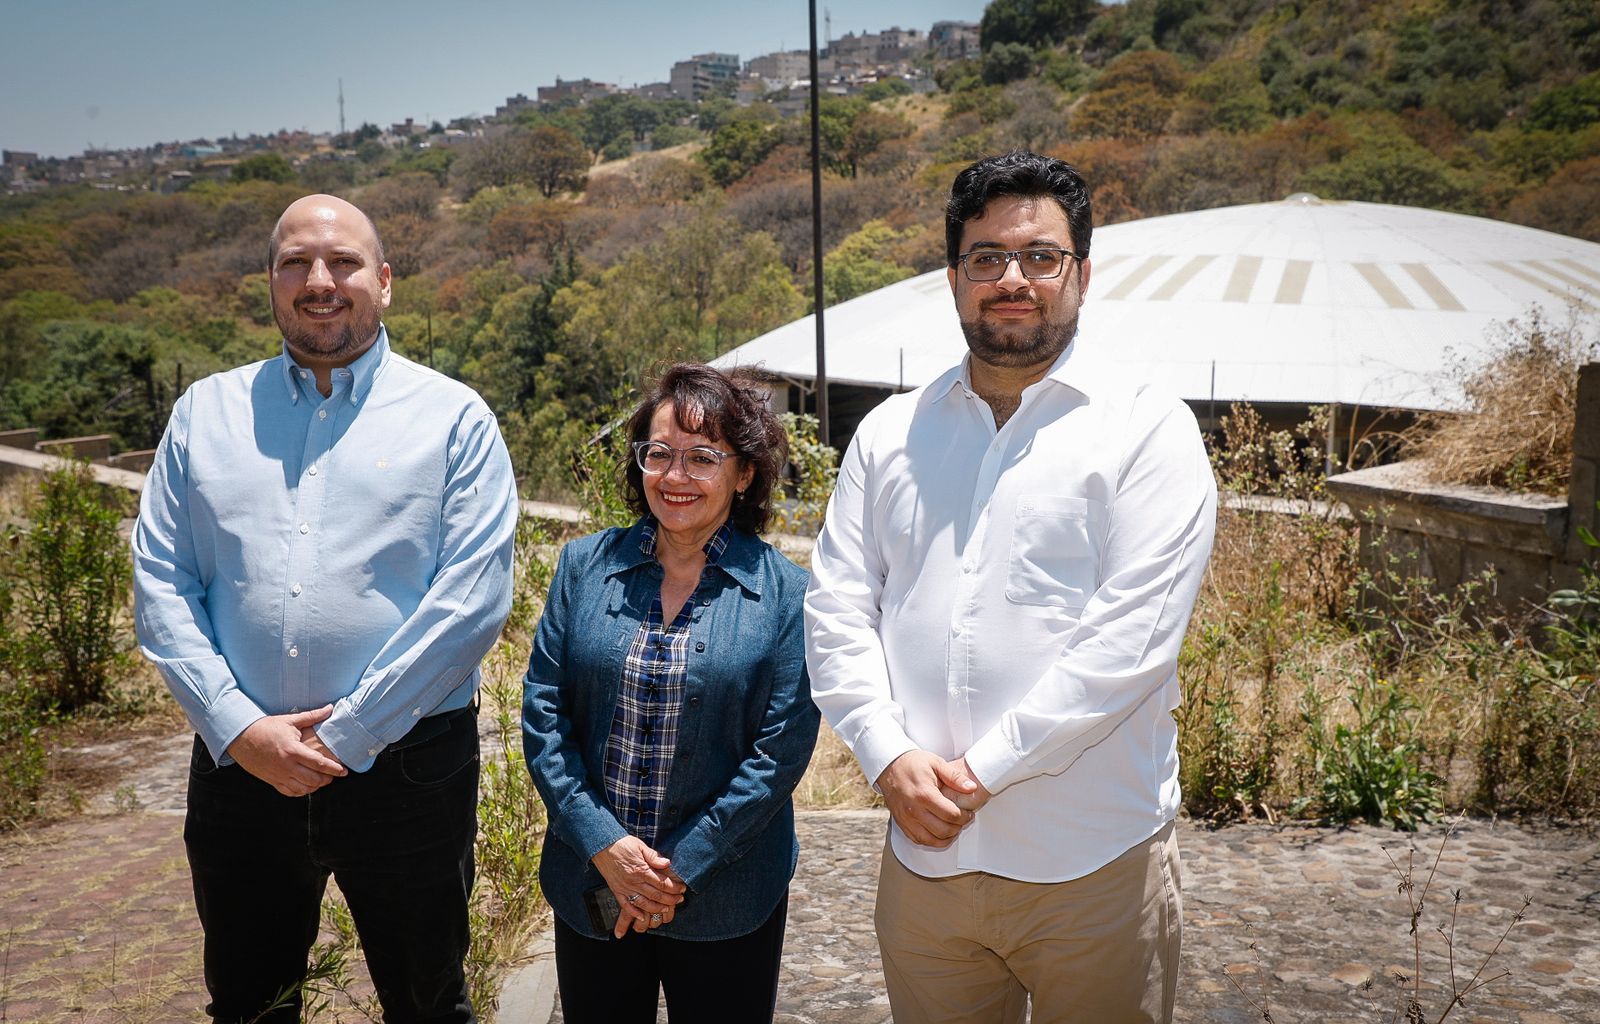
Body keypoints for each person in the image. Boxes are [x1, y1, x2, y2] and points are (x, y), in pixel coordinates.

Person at [805, 151, 1217, 1024]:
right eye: (987, 257)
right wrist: (885, 753)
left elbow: (1132, 644)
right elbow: (837, 608)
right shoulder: (888, 434)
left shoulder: (1146, 428)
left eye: (1041, 256)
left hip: (1092, 867)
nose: (1013, 279)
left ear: (1082, 274)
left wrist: (979, 774)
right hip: (925, 867)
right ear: (954, 278)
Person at [132, 194, 519, 1023]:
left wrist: (350, 734)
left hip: (409, 767)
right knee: (249, 1004)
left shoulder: (455, 418)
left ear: (385, 281)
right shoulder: (205, 413)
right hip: (242, 769)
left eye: (343, 262)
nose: (320, 281)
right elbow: (161, 579)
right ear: (270, 282)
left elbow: (472, 599)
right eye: (295, 263)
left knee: (427, 1003)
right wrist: (238, 727)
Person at [523, 363, 819, 1023]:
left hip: (728, 896)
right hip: (593, 880)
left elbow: (779, 755)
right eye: (659, 453)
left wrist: (675, 869)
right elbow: (544, 715)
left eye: (702, 457)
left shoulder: (788, 596)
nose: (675, 475)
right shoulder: (582, 567)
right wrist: (605, 845)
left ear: (745, 474)